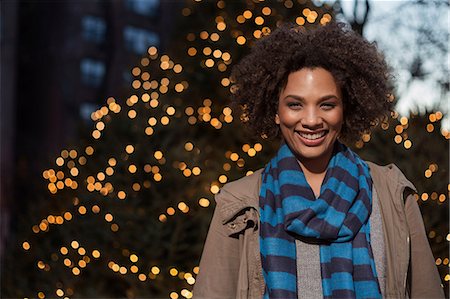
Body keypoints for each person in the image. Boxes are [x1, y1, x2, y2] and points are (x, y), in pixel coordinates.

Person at [193, 22, 444, 299]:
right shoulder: (238, 204)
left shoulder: (392, 192)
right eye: (295, 104)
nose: (311, 120)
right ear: (275, 111)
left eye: (327, 104)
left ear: (345, 109)